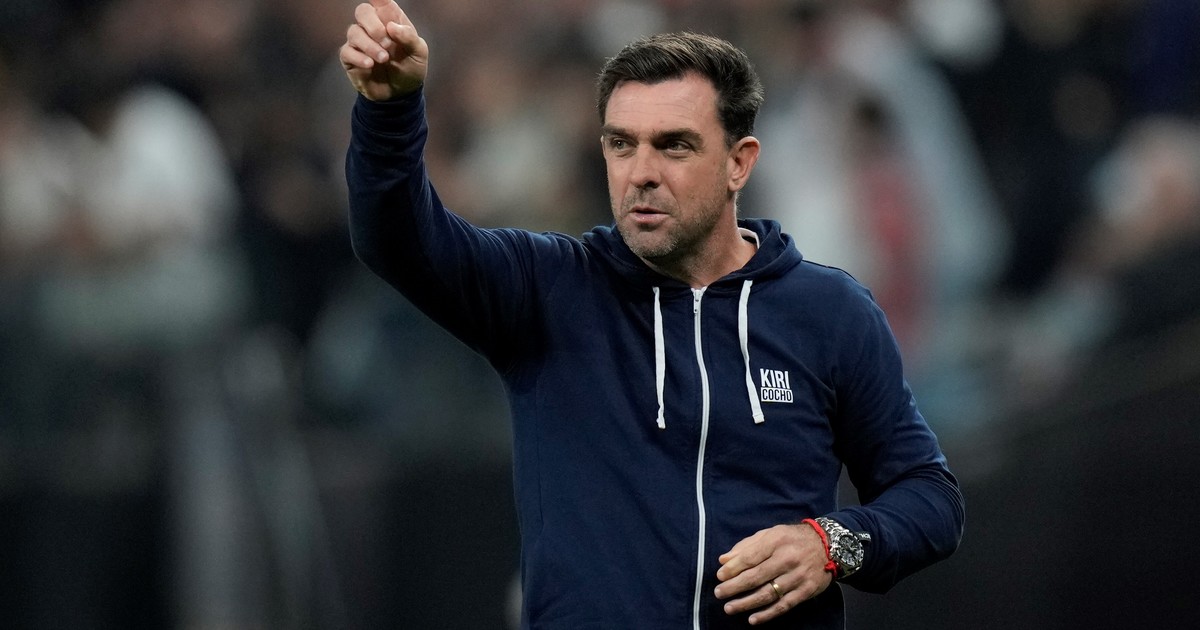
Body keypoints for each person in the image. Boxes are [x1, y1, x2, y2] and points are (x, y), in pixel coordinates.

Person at [339, 1, 964, 627]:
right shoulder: (549, 290)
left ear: (739, 162)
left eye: (674, 146)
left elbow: (930, 498)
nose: (641, 173)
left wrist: (830, 543)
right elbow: (395, 240)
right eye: (622, 145)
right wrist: (390, 111)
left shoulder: (828, 312)